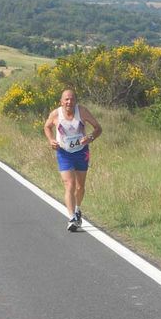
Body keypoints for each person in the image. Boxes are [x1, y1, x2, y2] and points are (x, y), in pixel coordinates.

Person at [44, 89, 102, 231]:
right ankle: (71, 218)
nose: (69, 102)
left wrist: (90, 137)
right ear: (61, 101)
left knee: (80, 186)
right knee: (69, 184)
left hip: (82, 152)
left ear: (75, 101)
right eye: (66, 99)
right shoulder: (55, 114)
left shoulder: (82, 111)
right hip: (64, 153)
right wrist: (51, 140)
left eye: (72, 99)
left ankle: (77, 209)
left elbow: (98, 128)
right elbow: (47, 126)